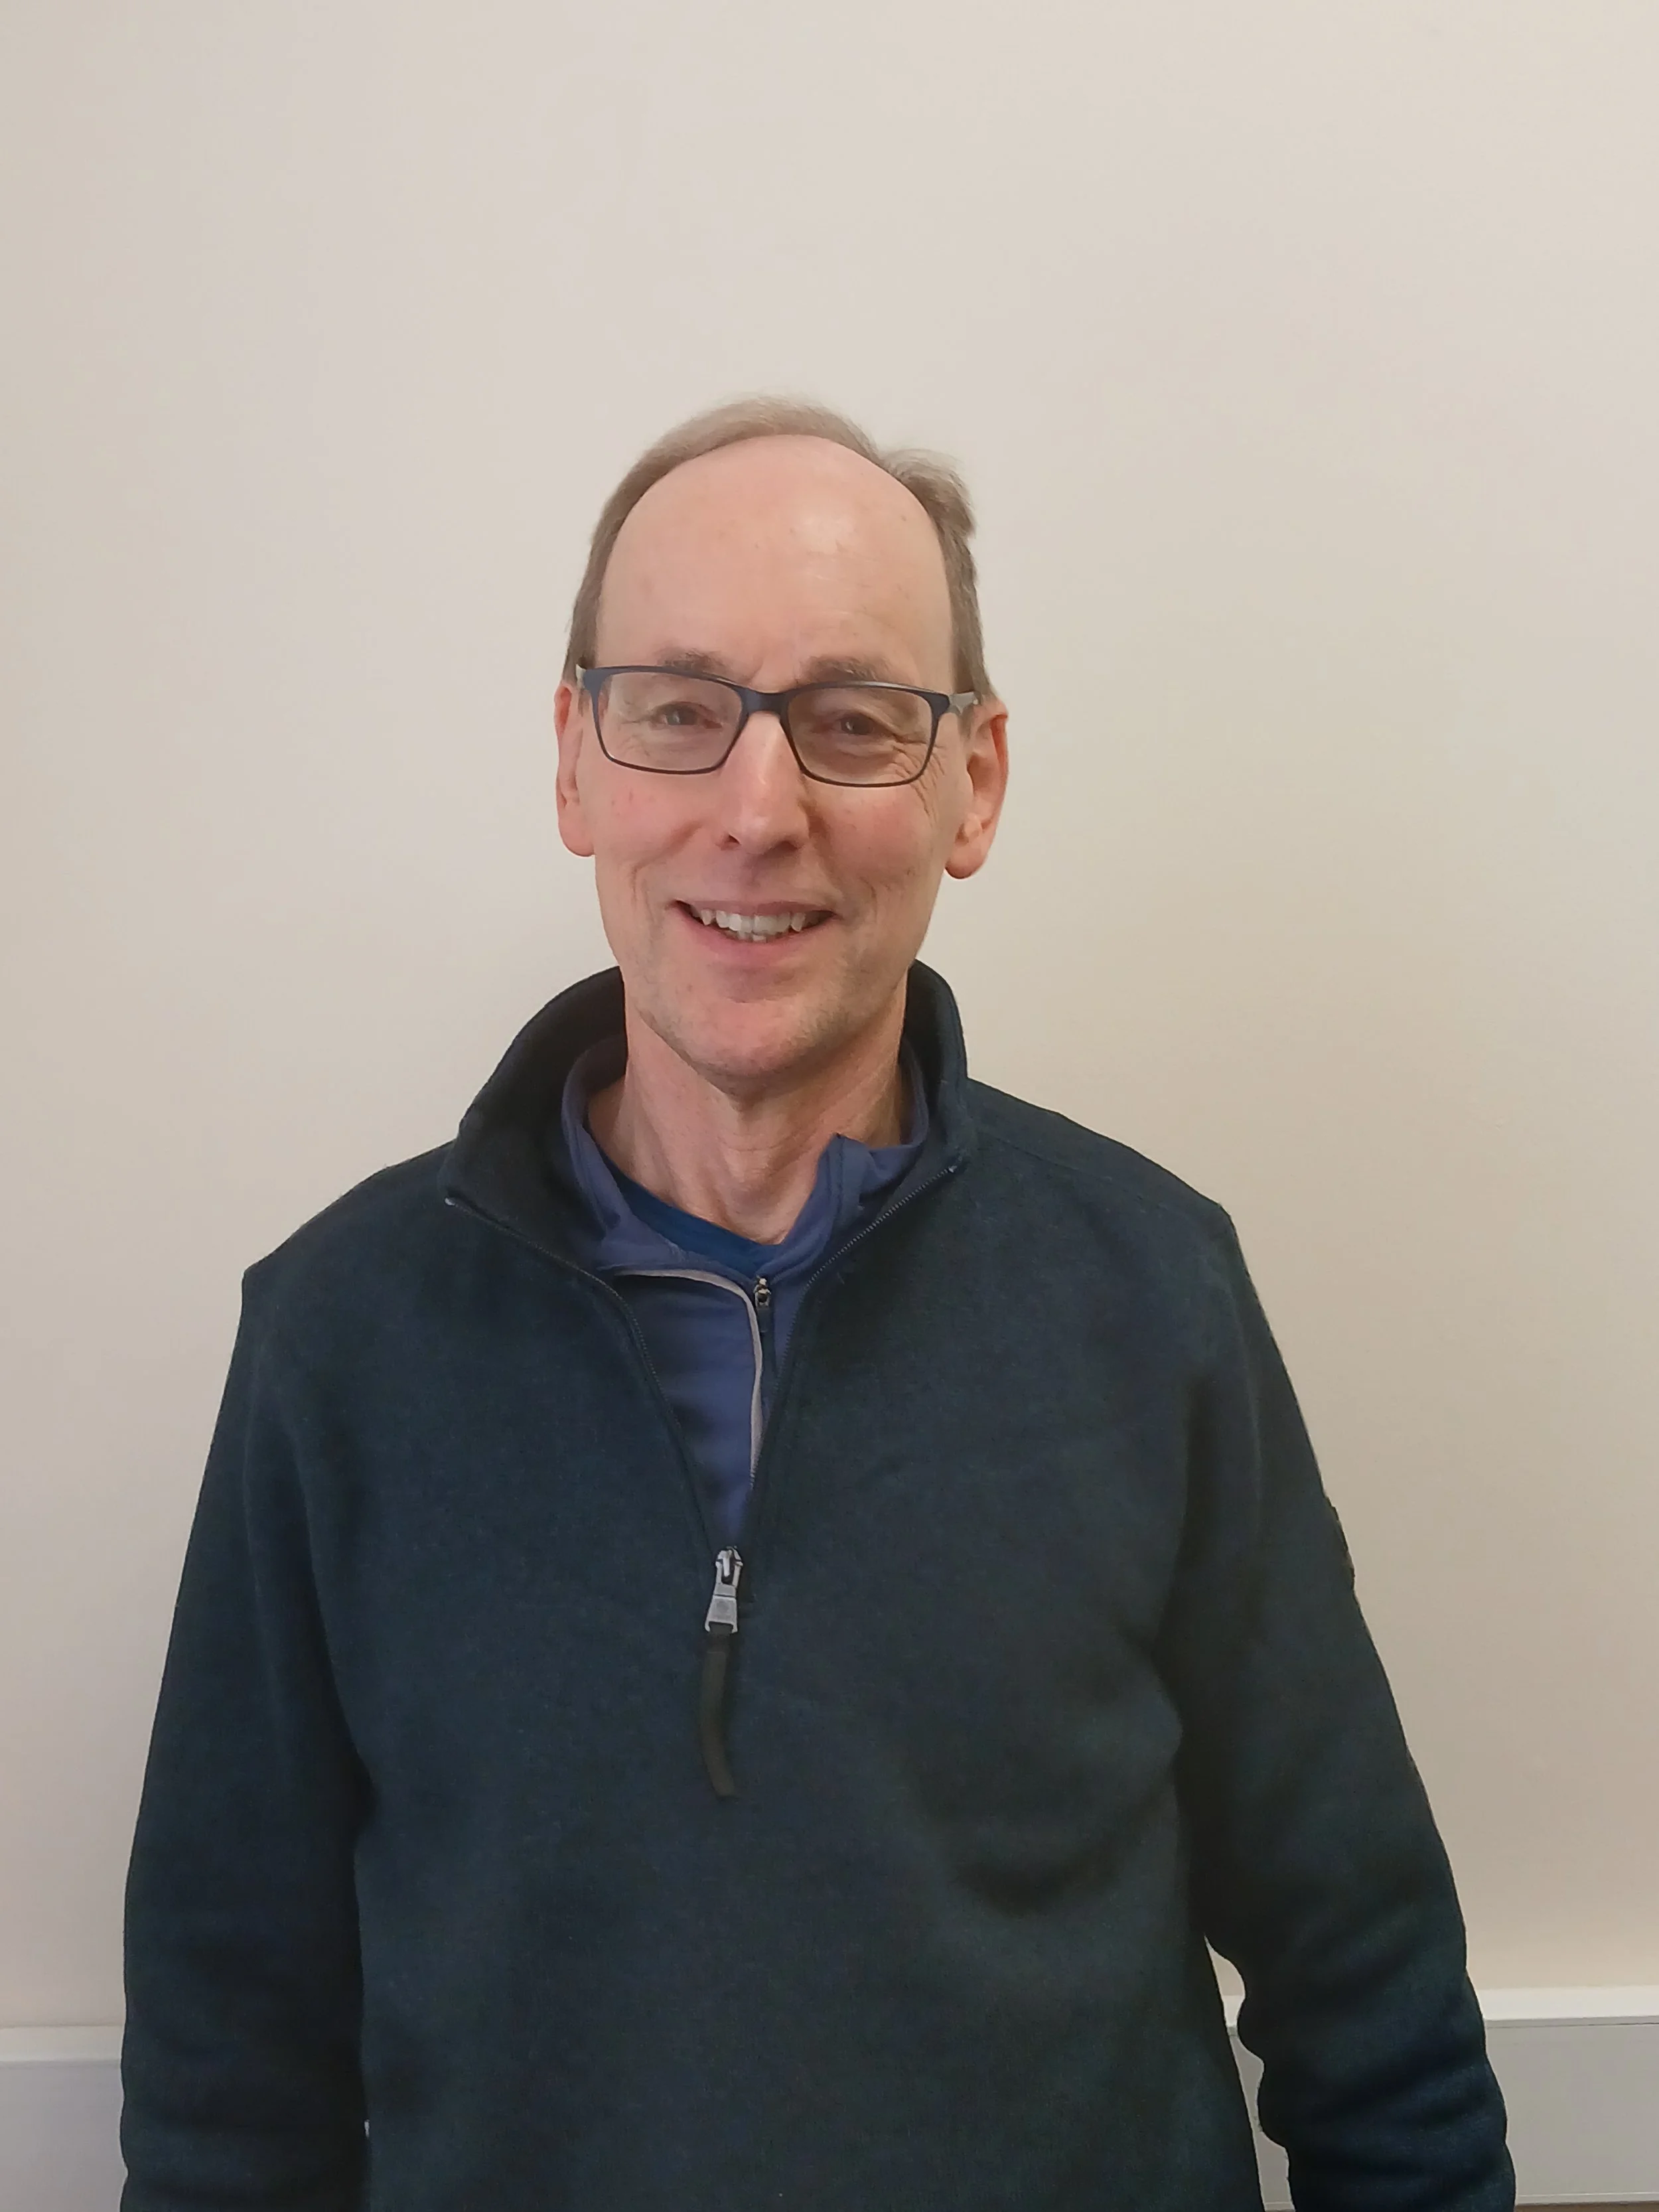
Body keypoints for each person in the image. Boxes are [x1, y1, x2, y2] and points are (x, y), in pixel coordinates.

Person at [121, 398, 1514, 2211]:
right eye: (679, 710)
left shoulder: (1149, 1294)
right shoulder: (339, 1340)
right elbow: (232, 2075)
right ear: (575, 763)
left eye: (855, 720)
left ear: (974, 784)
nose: (756, 812)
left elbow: (1372, 2005)